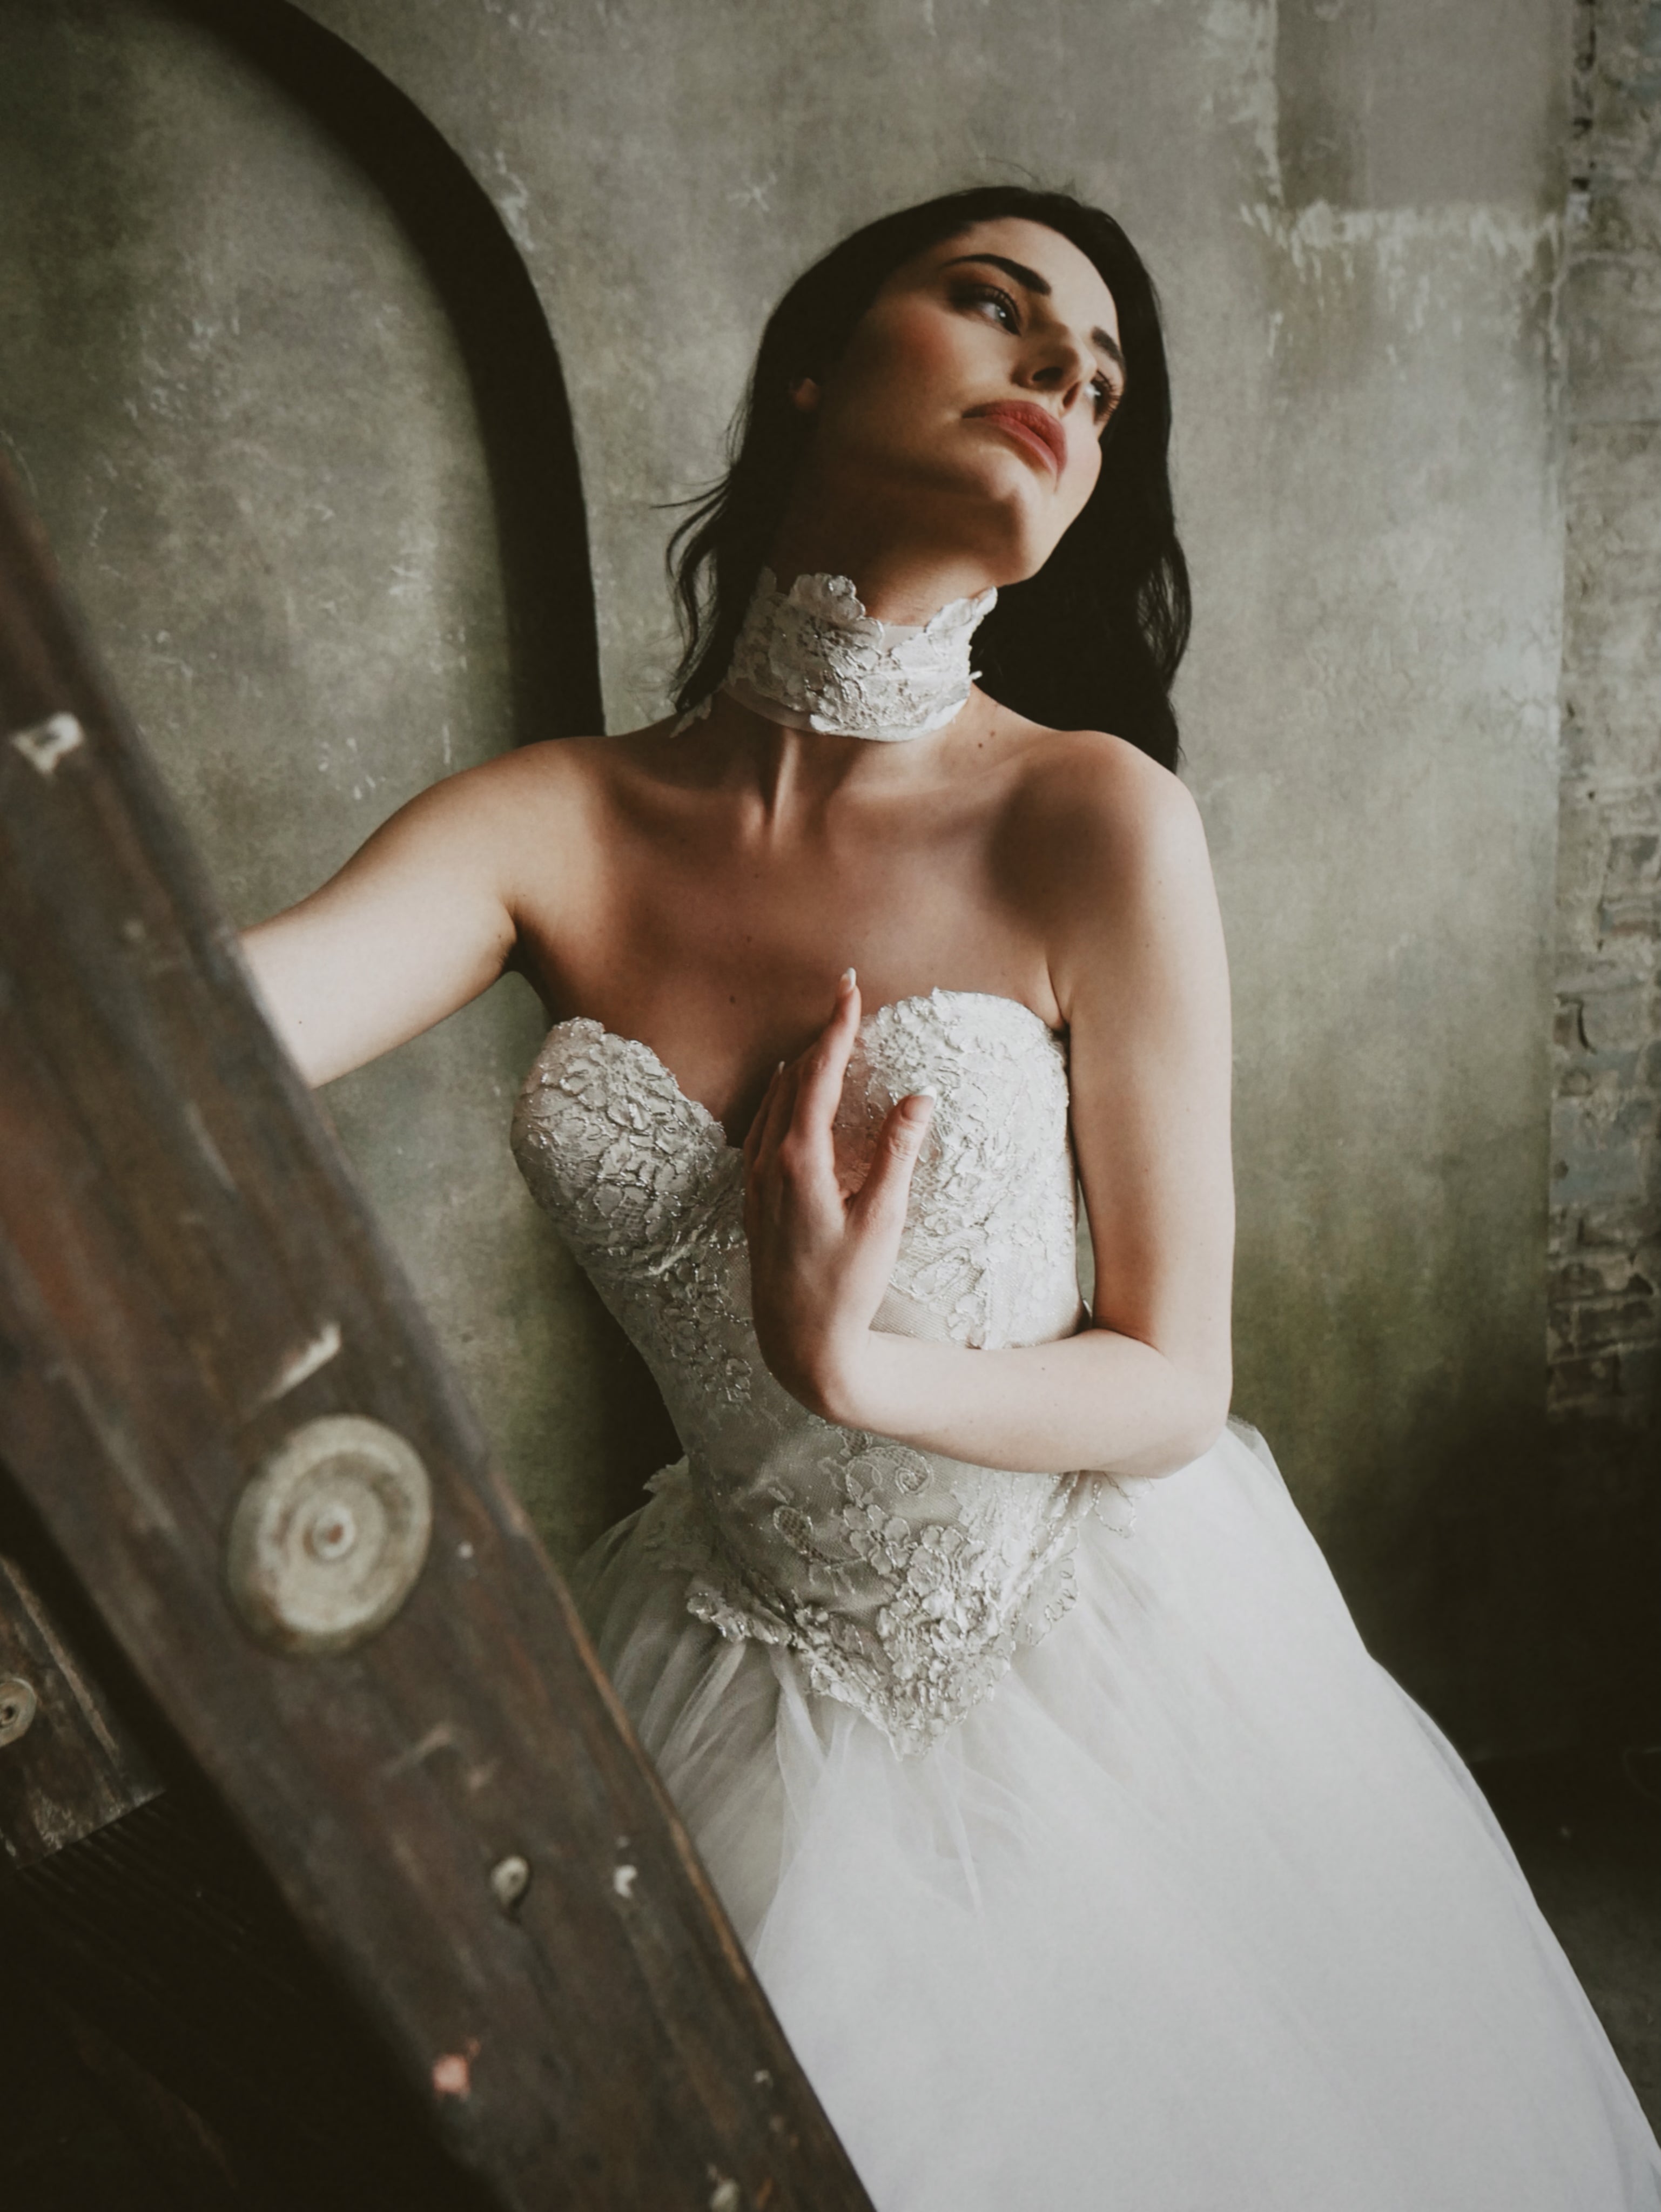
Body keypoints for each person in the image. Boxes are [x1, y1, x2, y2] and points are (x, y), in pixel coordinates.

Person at [243, 186, 1661, 2210]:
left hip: (1102, 1672)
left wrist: (862, 1366)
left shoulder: (1091, 817)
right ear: (813, 363)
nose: (1056, 389)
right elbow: (208, 1028)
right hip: (733, 1669)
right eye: (995, 312)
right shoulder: (548, 822)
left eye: (1095, 386)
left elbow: (1173, 1377)